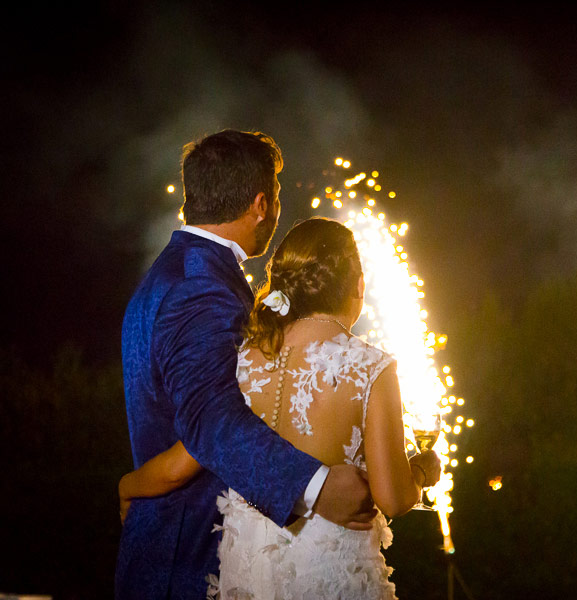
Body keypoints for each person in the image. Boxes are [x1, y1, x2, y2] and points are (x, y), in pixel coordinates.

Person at [116, 130, 379, 599]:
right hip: (189, 557)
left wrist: (135, 481)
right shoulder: (202, 287)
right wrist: (315, 486)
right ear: (261, 204)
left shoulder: (175, 272)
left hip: (163, 542)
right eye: (276, 197)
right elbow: (211, 421)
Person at [119, 217, 442, 599]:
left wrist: (128, 486)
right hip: (330, 580)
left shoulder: (245, 360)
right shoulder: (370, 366)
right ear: (358, 285)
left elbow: (186, 458)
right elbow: (393, 498)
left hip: (250, 580)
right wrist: (422, 470)